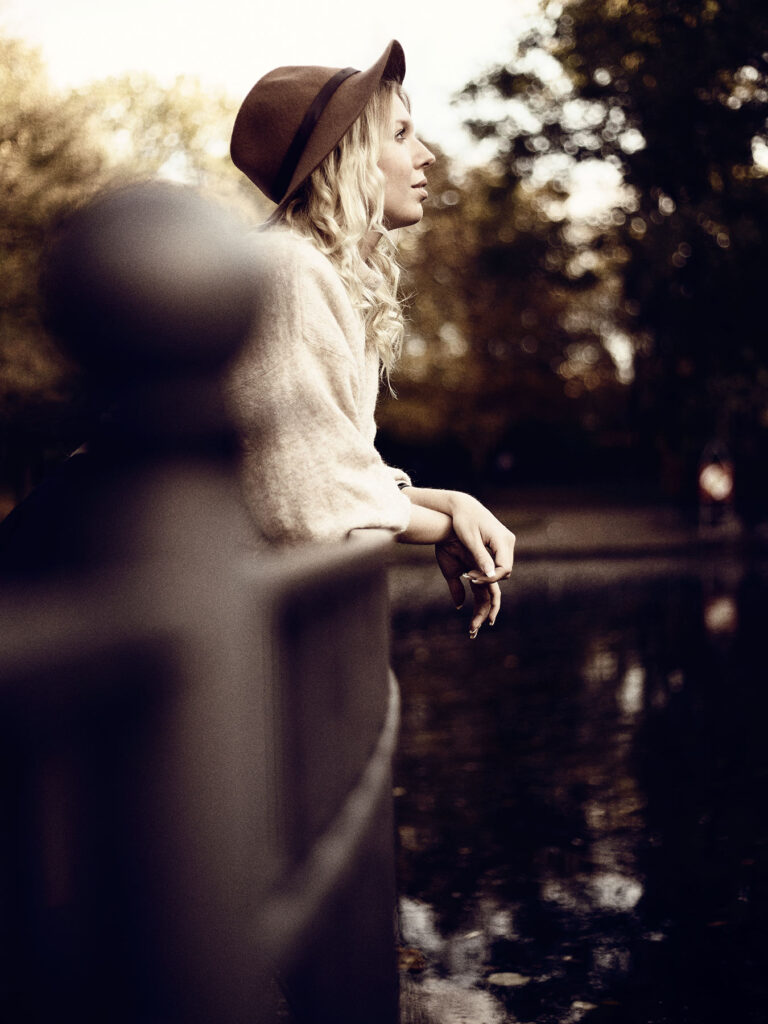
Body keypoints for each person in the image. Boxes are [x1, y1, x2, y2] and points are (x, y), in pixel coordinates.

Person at [227, 39, 515, 638]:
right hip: (84, 594)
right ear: (347, 155)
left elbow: (332, 461)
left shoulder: (318, 271)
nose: (428, 155)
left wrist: (451, 502)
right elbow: (304, 494)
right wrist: (448, 526)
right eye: (402, 134)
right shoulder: (287, 271)